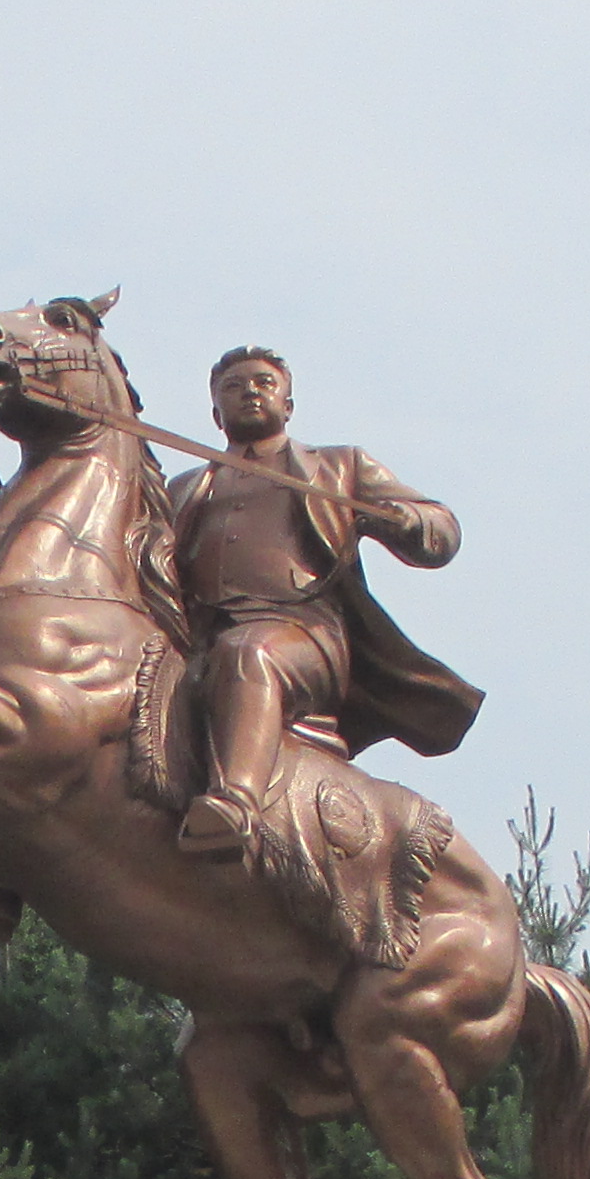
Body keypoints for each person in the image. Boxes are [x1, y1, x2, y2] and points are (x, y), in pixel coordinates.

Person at [161, 349, 478, 860]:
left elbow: (441, 527)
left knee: (248, 653)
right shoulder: (184, 489)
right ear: (216, 414)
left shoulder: (339, 466)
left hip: (302, 633)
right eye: (233, 386)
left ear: (288, 405)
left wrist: (407, 520)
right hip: (201, 638)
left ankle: (236, 802)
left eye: (263, 382)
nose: (249, 391)